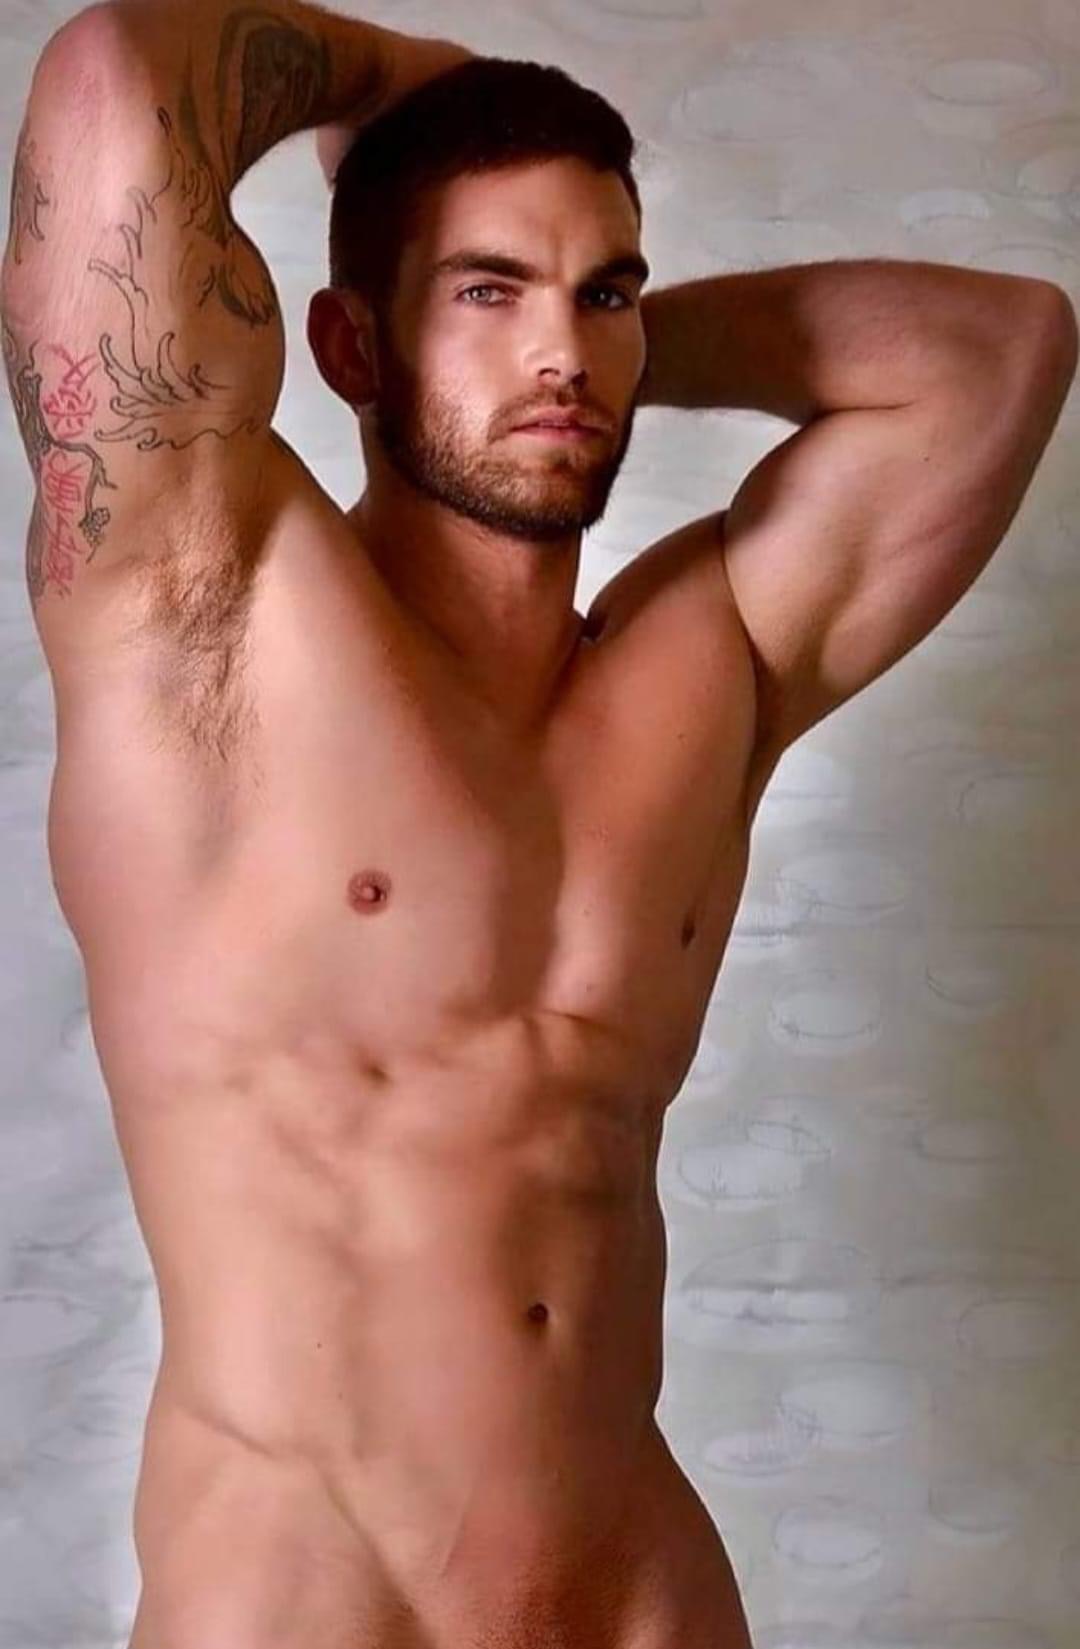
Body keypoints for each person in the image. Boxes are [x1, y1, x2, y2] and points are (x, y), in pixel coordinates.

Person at [1, 2, 1075, 1645]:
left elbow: (1003, 348)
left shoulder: (709, 659)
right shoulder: (205, 600)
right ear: (350, 346)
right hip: (308, 1594)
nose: (559, 350)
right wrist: (405, 87)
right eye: (486, 290)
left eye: (602, 292)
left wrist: (586, 356)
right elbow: (109, 85)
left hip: (640, 1591)